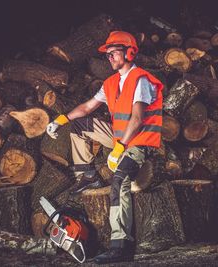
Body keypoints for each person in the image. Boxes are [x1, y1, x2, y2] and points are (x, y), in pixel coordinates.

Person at [46, 31, 164, 263]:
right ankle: (87, 175)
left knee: (119, 181)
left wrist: (120, 148)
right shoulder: (111, 83)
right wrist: (61, 120)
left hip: (139, 140)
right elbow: (88, 107)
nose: (109, 57)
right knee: (79, 124)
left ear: (130, 52)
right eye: (107, 54)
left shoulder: (140, 79)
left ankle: (121, 246)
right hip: (119, 137)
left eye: (113, 52)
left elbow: (138, 119)